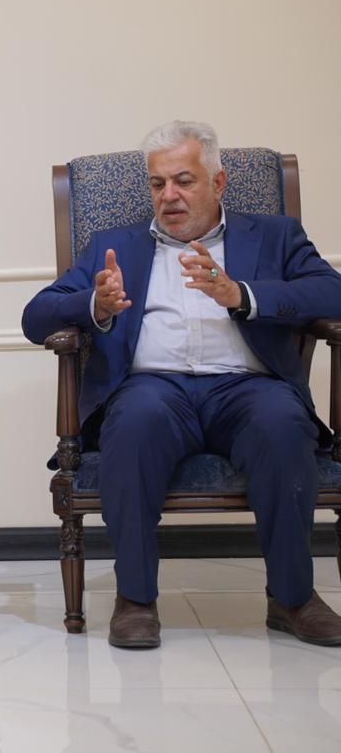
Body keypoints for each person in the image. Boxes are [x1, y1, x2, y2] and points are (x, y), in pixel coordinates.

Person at [23, 120, 341, 649]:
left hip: (247, 388)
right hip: (154, 389)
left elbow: (333, 295)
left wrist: (242, 295)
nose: (168, 195)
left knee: (282, 425)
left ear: (218, 182)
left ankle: (292, 599)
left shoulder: (274, 236)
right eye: (157, 183)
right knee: (134, 423)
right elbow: (35, 317)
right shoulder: (113, 247)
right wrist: (94, 304)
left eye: (184, 181)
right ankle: (135, 600)